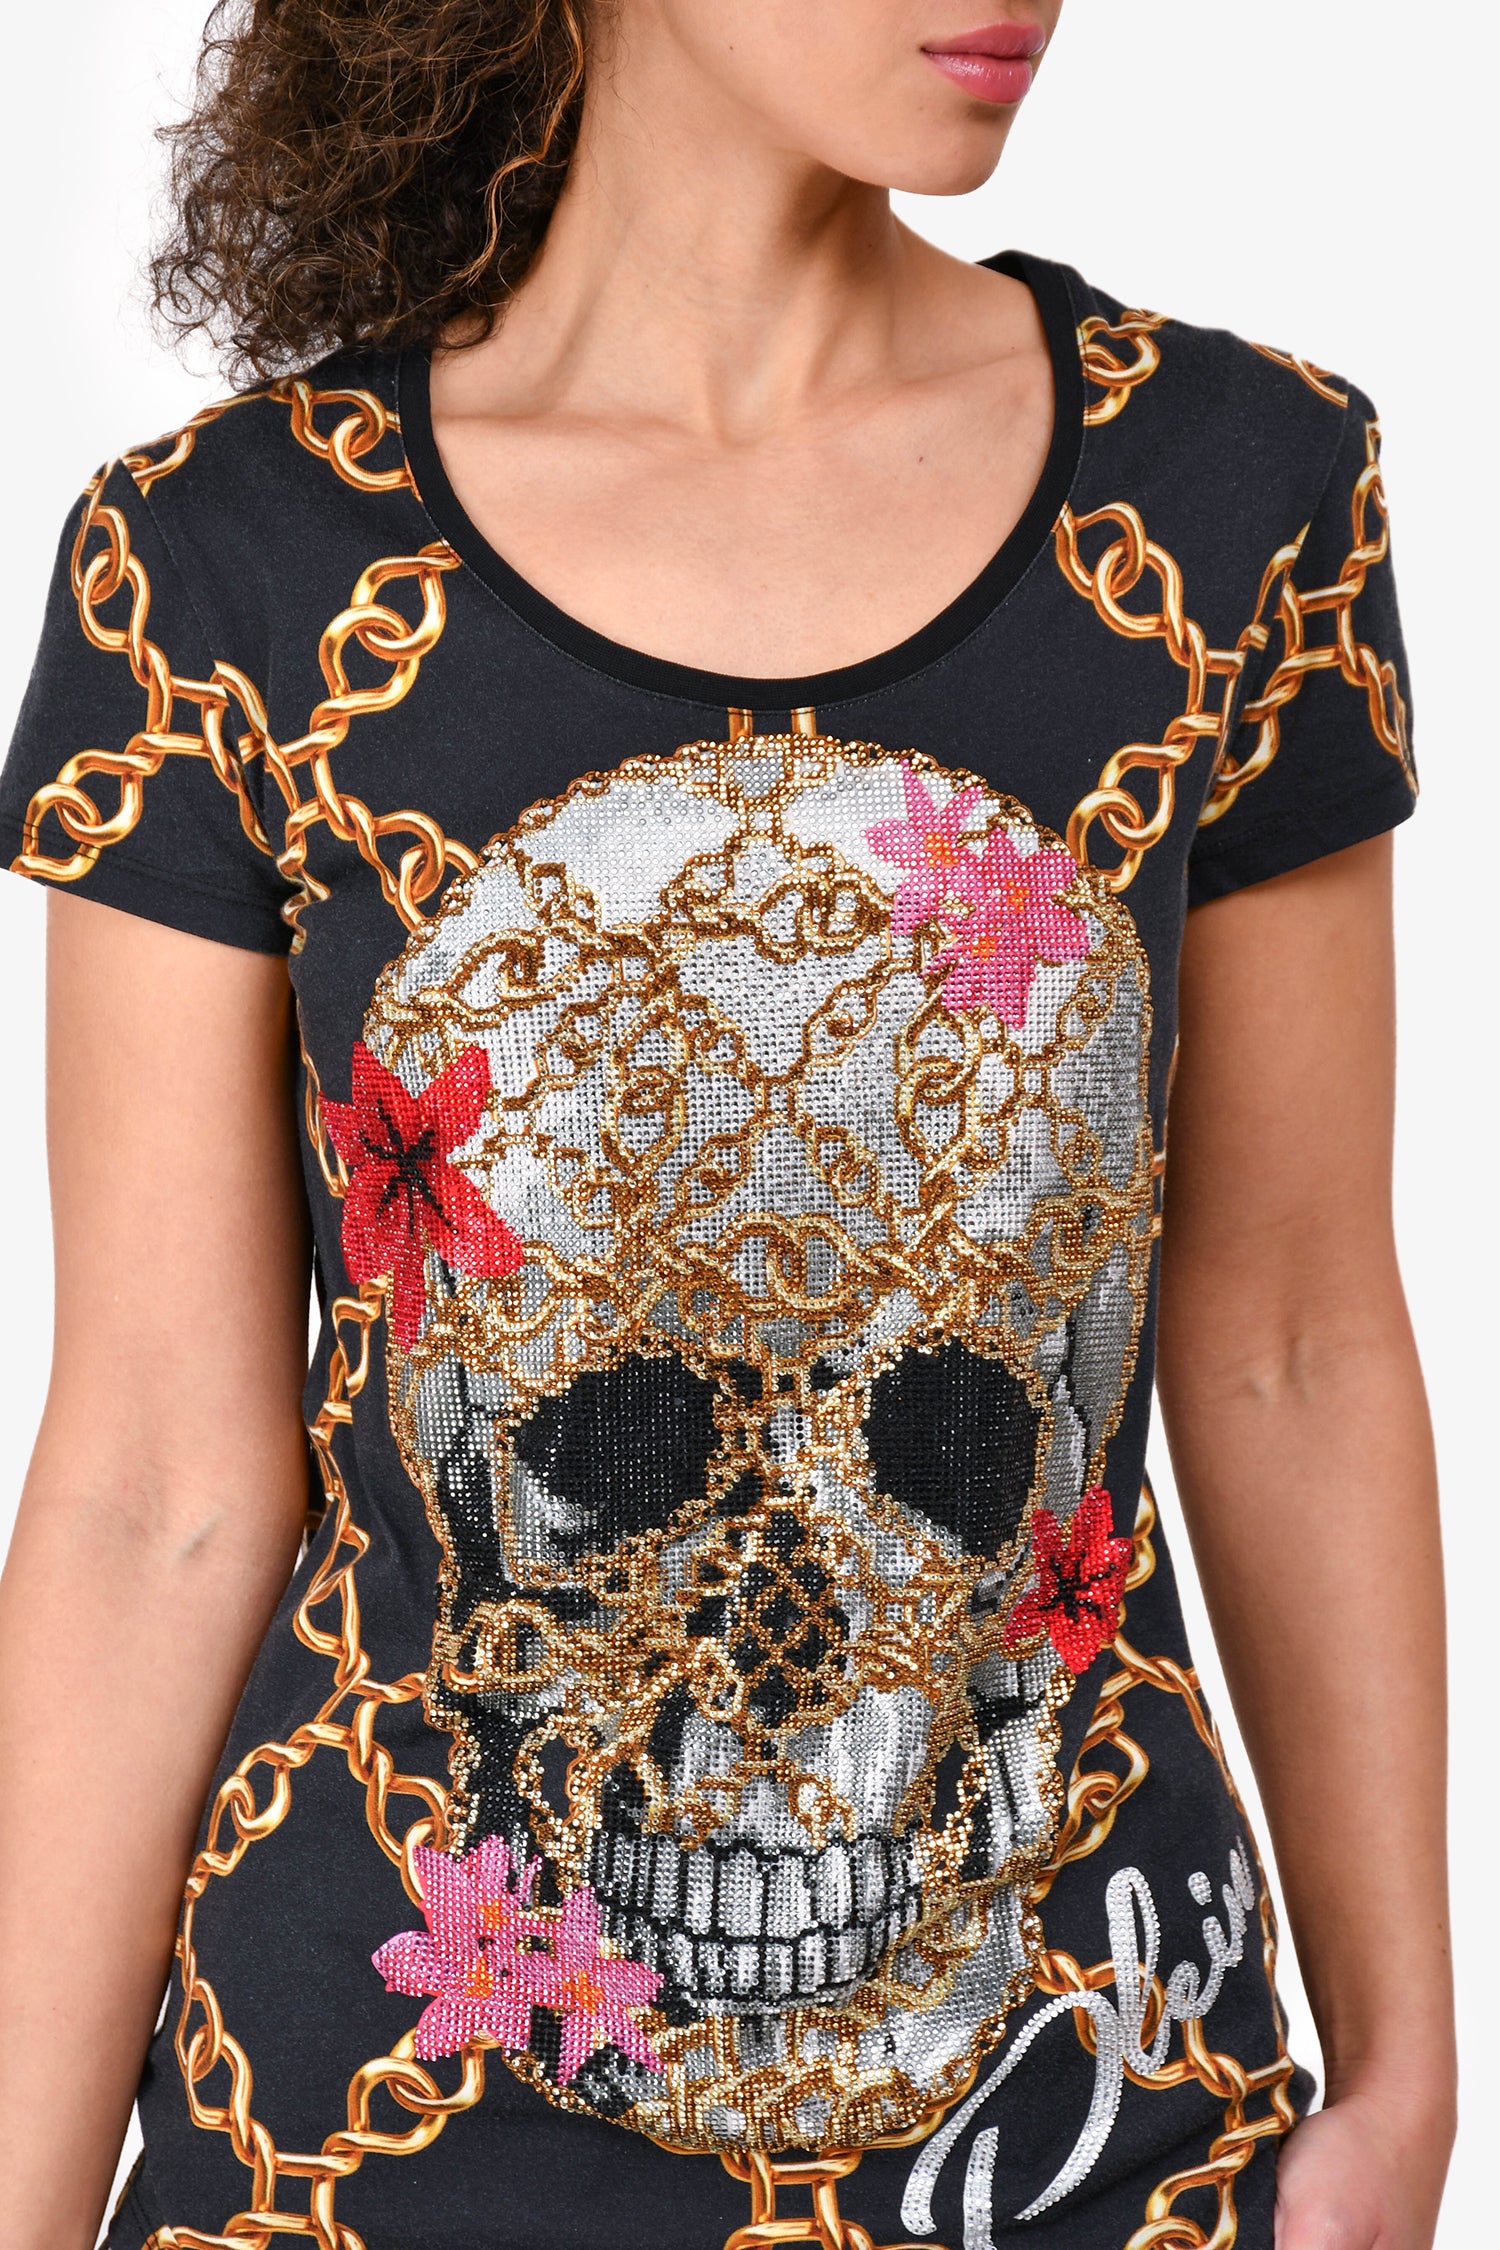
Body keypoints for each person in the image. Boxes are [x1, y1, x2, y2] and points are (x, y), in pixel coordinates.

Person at [0, 5, 1455, 2248]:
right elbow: (151, 1494)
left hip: (1089, 2138)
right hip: (360, 2164)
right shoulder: (227, 574)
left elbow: (1290, 1344)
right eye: (609, 1444)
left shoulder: (1236, 501)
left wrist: (1410, 2075)